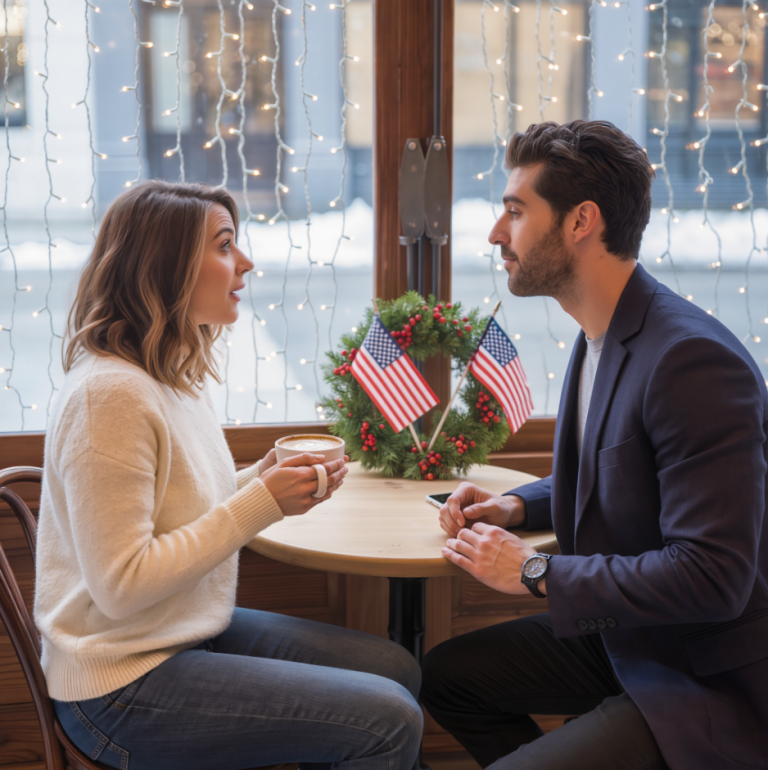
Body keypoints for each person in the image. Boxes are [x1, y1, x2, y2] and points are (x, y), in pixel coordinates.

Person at [35, 181, 423, 770]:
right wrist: (263, 501)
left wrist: (261, 478)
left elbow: (179, 511)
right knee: (389, 718)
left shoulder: (168, 373)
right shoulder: (108, 397)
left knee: (396, 668)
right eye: (224, 245)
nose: (246, 262)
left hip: (177, 632)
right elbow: (121, 586)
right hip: (117, 687)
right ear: (165, 266)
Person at [420, 120, 768, 770]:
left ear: (581, 221)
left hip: (702, 675)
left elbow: (713, 576)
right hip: (630, 638)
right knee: (443, 677)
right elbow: (625, 464)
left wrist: (535, 571)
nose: (496, 233)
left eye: (515, 211)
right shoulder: (601, 332)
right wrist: (515, 506)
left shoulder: (692, 360)